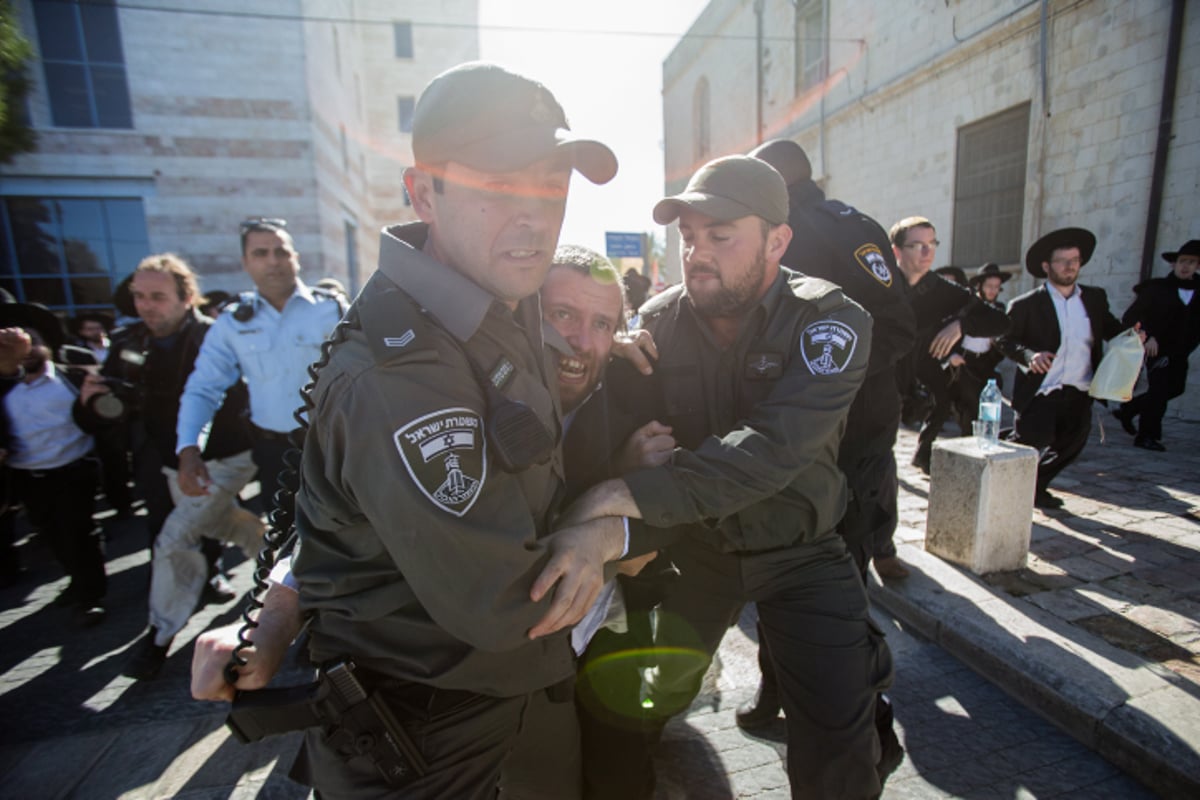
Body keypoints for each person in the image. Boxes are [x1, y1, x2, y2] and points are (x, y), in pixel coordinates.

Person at [288, 62, 628, 797]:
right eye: (499, 186)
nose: (536, 216)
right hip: (425, 737)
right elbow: (512, 598)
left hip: (500, 700)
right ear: (424, 192)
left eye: (552, 184)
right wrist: (617, 529)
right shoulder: (401, 378)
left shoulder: (495, 299)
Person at [563, 155, 892, 799]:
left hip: (804, 555)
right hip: (698, 551)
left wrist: (620, 494)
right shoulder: (655, 324)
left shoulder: (829, 321)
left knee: (838, 737)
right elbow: (585, 425)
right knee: (631, 701)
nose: (698, 253)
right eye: (688, 237)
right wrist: (610, 374)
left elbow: (774, 447)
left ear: (776, 241)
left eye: (720, 236)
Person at [734, 139, 914, 740]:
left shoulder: (844, 228)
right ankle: (774, 689)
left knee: (842, 580)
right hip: (788, 436)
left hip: (851, 435)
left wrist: (828, 387)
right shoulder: (757, 231)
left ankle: (871, 723)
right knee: (784, 567)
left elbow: (896, 324)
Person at [82, 254, 265, 680]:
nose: (147, 305)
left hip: (223, 461)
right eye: (140, 296)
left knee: (174, 537)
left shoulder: (218, 337)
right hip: (171, 464)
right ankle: (283, 565)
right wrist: (93, 402)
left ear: (187, 298)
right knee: (226, 525)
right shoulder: (130, 342)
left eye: (158, 297)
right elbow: (104, 413)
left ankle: (159, 638)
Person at [175, 218, 343, 510]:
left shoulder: (334, 309)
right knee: (285, 543)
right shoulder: (231, 322)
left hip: (337, 448)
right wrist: (189, 448)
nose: (273, 261)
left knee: (349, 538)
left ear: (296, 258)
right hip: (275, 452)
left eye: (281, 252)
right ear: (245, 262)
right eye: (260, 253)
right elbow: (204, 388)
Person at [999, 227, 1132, 509]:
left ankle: (1035, 487)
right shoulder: (1026, 305)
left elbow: (1112, 329)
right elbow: (1005, 339)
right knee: (1028, 443)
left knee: (1070, 446)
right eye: (1063, 260)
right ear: (1047, 266)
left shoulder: (1094, 299)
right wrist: (1029, 356)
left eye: (1075, 260)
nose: (1070, 266)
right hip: (1042, 388)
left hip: (1080, 386)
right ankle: (1005, 483)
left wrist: (1135, 337)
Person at [0, 307, 107, 624]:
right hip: (28, 475)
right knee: (51, 533)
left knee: (79, 532)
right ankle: (76, 581)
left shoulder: (72, 377)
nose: (27, 352)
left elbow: (98, 422)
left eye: (32, 344)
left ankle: (90, 596)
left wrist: (94, 404)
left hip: (73, 470)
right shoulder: (6, 387)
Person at [891, 217, 1009, 473]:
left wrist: (961, 325)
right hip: (881, 372)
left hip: (921, 366)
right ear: (896, 250)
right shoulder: (880, 283)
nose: (927, 251)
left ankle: (923, 456)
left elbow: (1000, 321)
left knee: (942, 403)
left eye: (932, 244)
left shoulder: (942, 289)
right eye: (917, 245)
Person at [1113, 239, 1200, 451]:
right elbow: (1130, 317)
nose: (1185, 266)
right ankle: (1146, 436)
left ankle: (1129, 409)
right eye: (1182, 261)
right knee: (1159, 393)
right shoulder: (1156, 289)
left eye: (1191, 262)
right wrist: (1148, 335)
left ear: (1198, 266)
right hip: (1155, 349)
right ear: (1174, 264)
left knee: (1175, 388)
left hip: (1180, 352)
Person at [951, 263, 1011, 432]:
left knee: (989, 400)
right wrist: (952, 355)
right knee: (968, 401)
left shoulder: (999, 310)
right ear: (980, 286)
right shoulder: (968, 306)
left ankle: (986, 434)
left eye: (996, 287)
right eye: (989, 286)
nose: (993, 291)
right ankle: (967, 435)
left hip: (986, 362)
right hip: (966, 360)